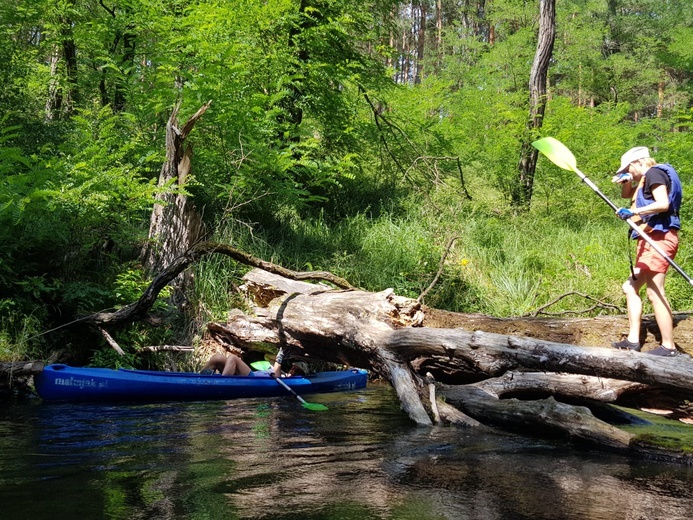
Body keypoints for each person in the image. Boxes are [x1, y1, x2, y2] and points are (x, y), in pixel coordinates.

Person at [610, 146, 683, 357]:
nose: (627, 172)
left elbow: (662, 204)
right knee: (630, 287)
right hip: (648, 239)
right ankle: (633, 340)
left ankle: (668, 347)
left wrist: (632, 212)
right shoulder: (645, 179)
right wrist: (627, 182)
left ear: (637, 163)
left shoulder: (653, 173)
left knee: (654, 290)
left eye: (628, 169)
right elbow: (629, 196)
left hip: (659, 238)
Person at [200, 347, 287, 376]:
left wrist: (279, 360)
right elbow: (267, 356)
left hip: (254, 381)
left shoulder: (281, 374)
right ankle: (199, 380)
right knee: (217, 357)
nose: (293, 370)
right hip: (253, 374)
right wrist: (279, 355)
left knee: (233, 358)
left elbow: (277, 377)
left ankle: (222, 384)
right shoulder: (271, 361)